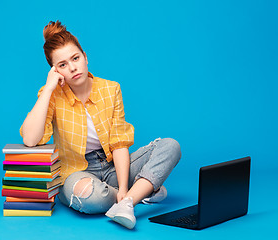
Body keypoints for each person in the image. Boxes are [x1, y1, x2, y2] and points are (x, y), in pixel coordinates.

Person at [20, 20, 181, 229]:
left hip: (113, 166)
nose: (72, 67)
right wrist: (49, 88)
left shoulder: (110, 89)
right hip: (76, 173)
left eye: (75, 58)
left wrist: (123, 188)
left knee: (170, 146)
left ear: (85, 57)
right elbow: (30, 139)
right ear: (55, 71)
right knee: (87, 196)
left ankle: (128, 201)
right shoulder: (52, 95)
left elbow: (119, 143)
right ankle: (144, 191)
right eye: (62, 65)